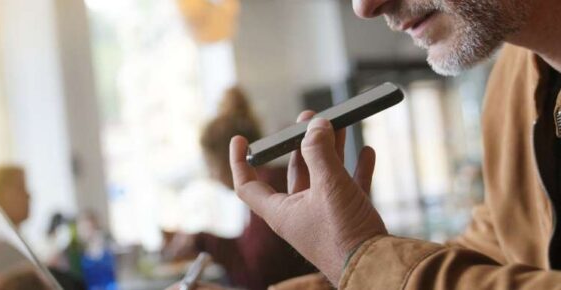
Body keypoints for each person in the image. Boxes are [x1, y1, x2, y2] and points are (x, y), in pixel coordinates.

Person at [224, 0, 561, 289]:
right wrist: (353, 267)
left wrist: (358, 258)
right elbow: (495, 250)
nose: (364, 7)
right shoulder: (509, 88)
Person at [164, 86, 317, 290]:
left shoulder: (270, 187)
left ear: (225, 158)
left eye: (210, 165)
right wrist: (199, 240)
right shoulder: (268, 183)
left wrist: (206, 242)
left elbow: (259, 276)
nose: (211, 175)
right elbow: (255, 253)